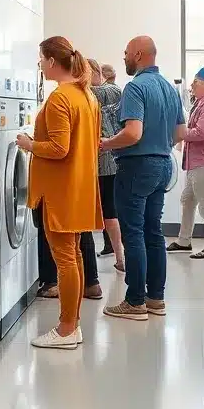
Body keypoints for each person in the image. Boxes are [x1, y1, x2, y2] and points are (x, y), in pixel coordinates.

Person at [17, 36, 103, 349]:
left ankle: (66, 330)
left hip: (58, 191)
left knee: (65, 260)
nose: (39, 65)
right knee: (75, 256)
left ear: (53, 62)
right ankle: (73, 325)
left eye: (41, 59)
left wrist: (29, 145)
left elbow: (58, 148)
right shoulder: (86, 95)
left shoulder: (59, 97)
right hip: (78, 187)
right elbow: (90, 145)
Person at [100, 36, 186, 321]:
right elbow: (180, 134)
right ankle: (155, 298)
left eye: (126, 53)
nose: (124, 57)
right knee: (154, 232)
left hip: (136, 167)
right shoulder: (169, 89)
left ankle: (135, 301)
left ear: (137, 54)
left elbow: (133, 133)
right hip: (163, 164)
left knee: (133, 234)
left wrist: (106, 143)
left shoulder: (136, 87)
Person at [167, 67, 204, 259]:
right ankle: (184, 241)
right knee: (188, 200)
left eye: (195, 82)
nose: (191, 86)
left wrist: (180, 134)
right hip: (196, 162)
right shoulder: (201, 103)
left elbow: (201, 133)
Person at [89, 59, 125, 271]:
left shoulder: (110, 91)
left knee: (110, 212)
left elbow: (100, 93)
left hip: (107, 162)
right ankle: (116, 254)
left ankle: (120, 258)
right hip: (95, 162)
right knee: (107, 213)